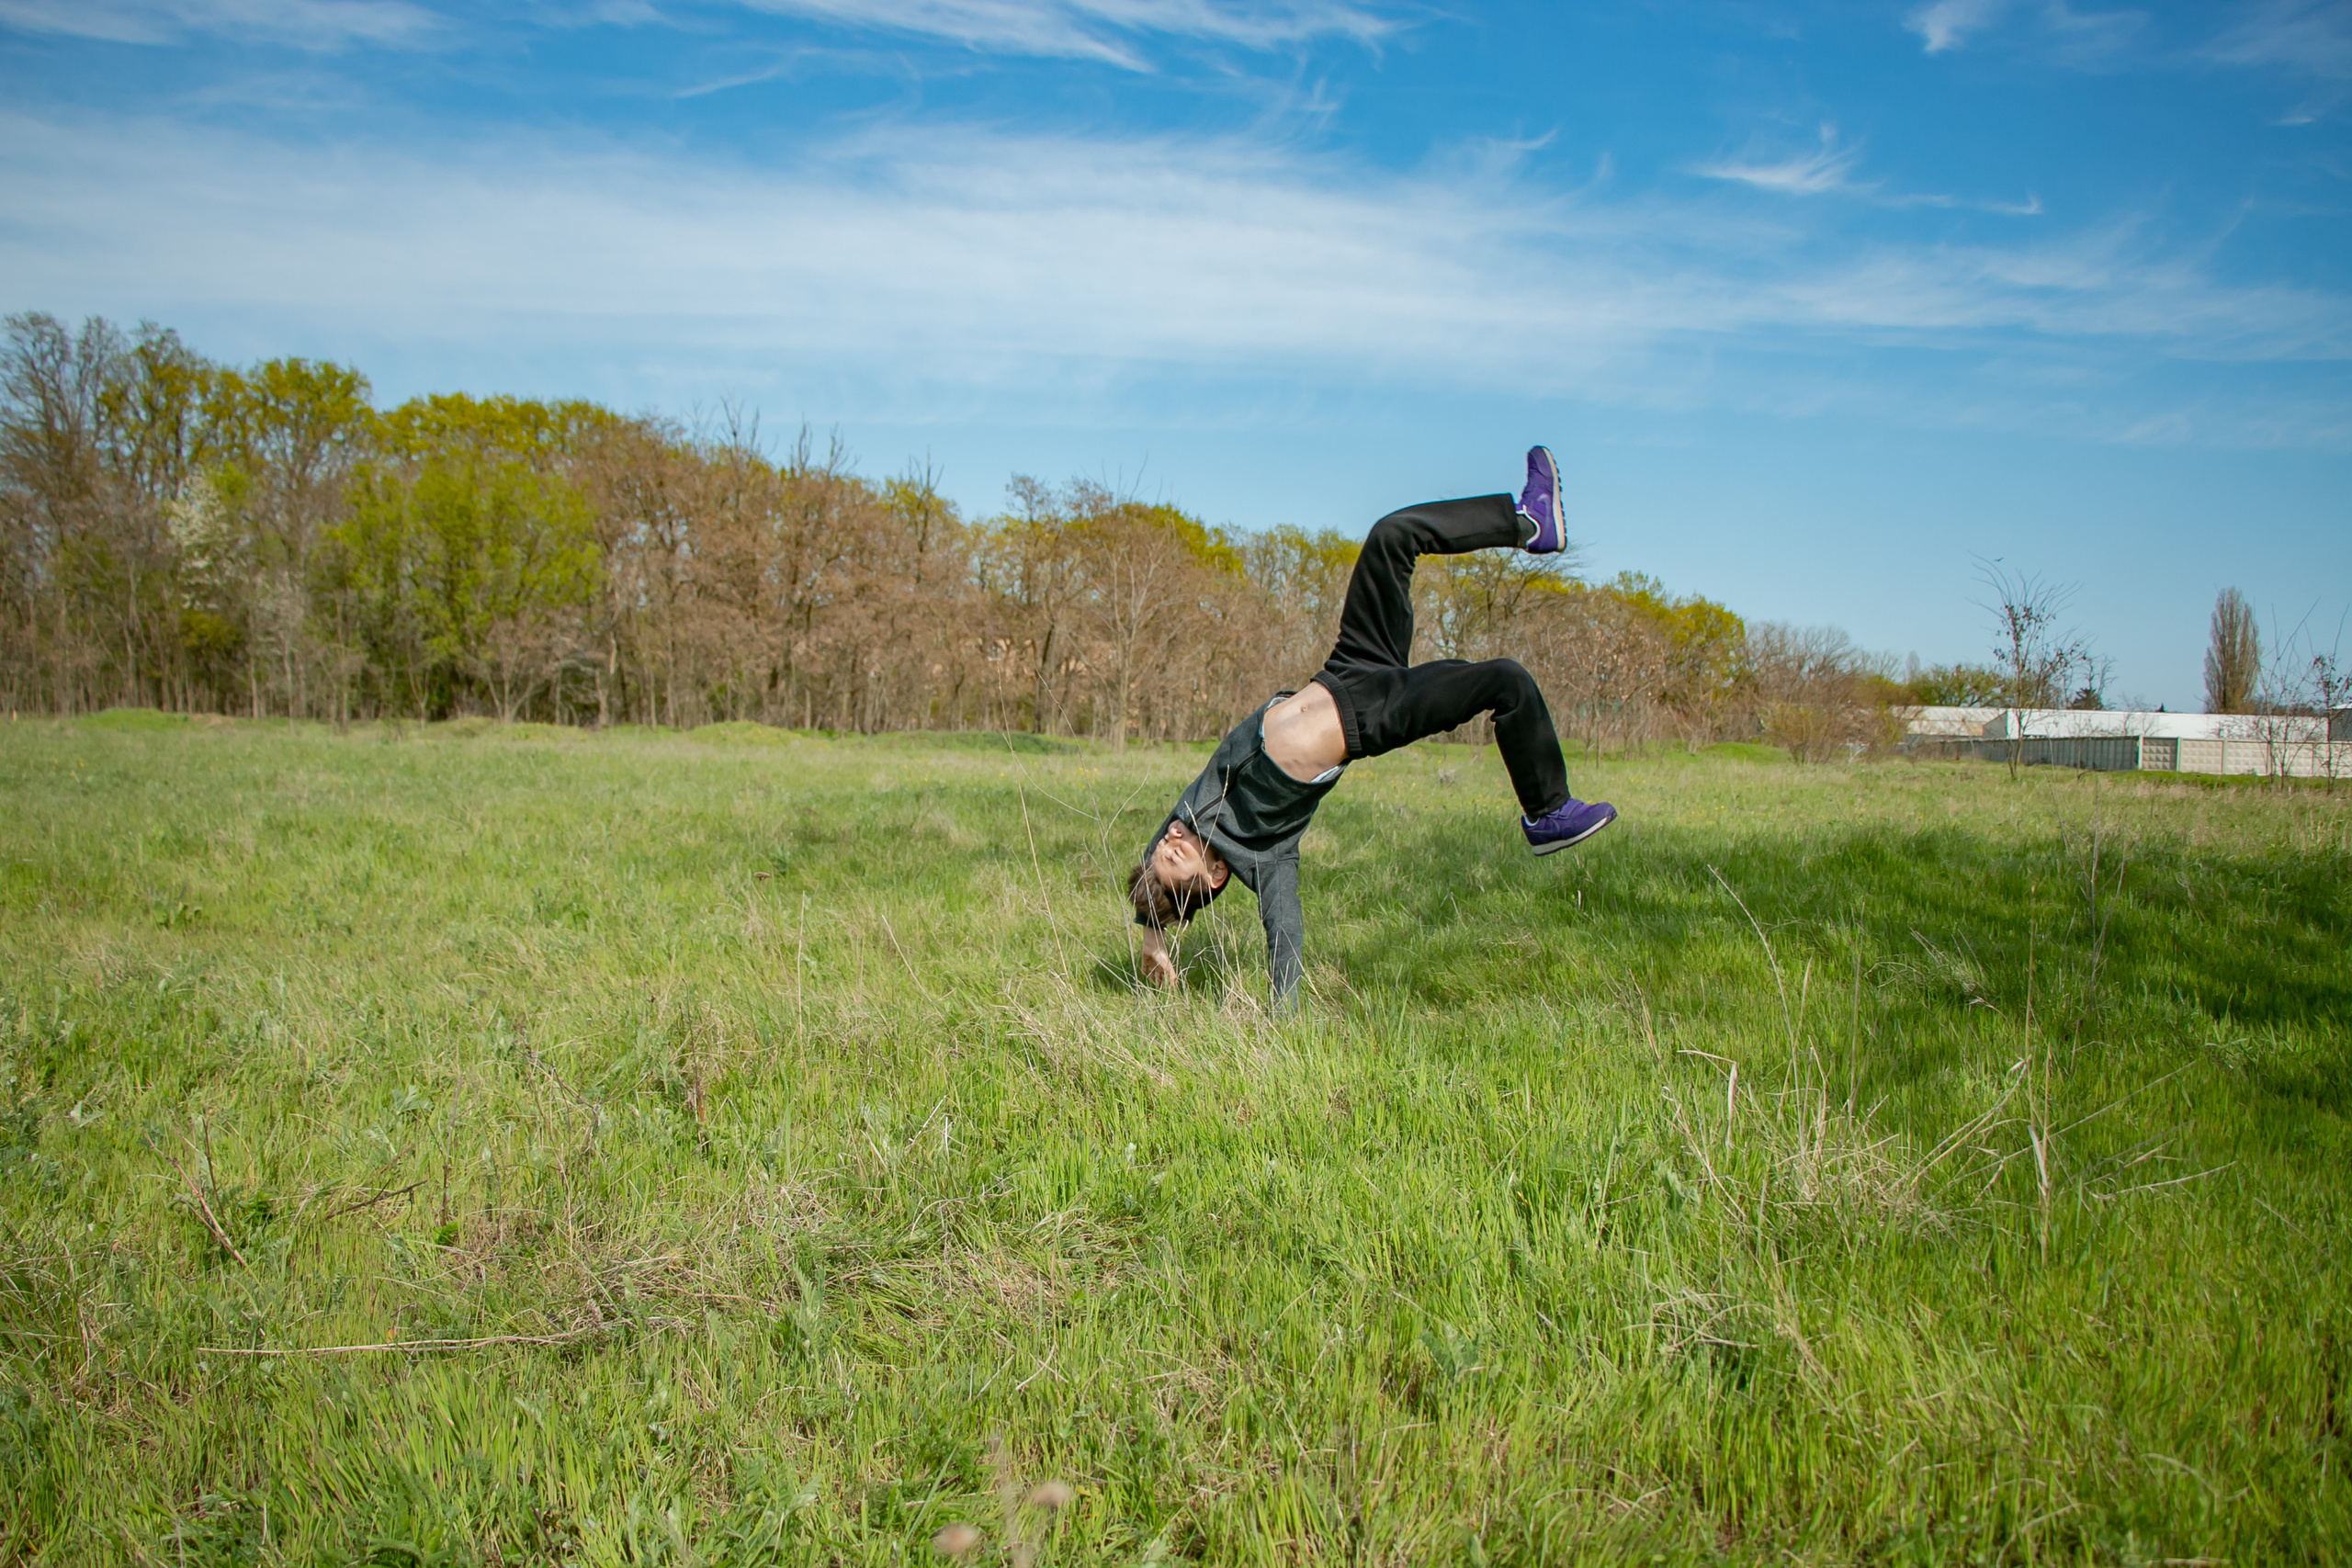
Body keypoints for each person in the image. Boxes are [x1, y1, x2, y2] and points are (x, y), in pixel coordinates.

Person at [1127, 446, 1618, 1006]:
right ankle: (1549, 812)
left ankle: (1528, 522)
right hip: (1373, 714)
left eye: (1165, 842)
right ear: (1216, 876)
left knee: (1392, 535)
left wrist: (1152, 936)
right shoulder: (1266, 857)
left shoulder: (1192, 811)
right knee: (1506, 680)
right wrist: (1279, 1022)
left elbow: (1161, 845)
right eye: (1176, 854)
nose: (1171, 836)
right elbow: (1284, 934)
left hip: (1348, 665)